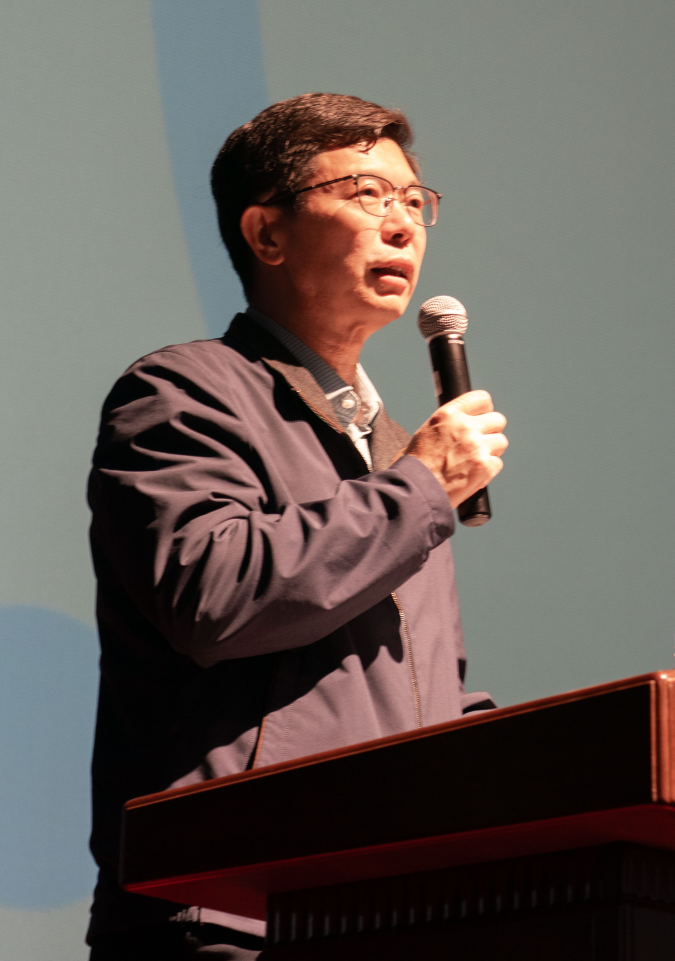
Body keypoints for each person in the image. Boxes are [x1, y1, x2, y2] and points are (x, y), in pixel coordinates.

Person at [84, 94, 508, 960]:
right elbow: (215, 597)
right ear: (267, 233)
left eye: (414, 201)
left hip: (381, 917)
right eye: (367, 194)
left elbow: (427, 698)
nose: (403, 225)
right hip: (229, 912)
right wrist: (421, 487)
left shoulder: (398, 454)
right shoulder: (185, 393)